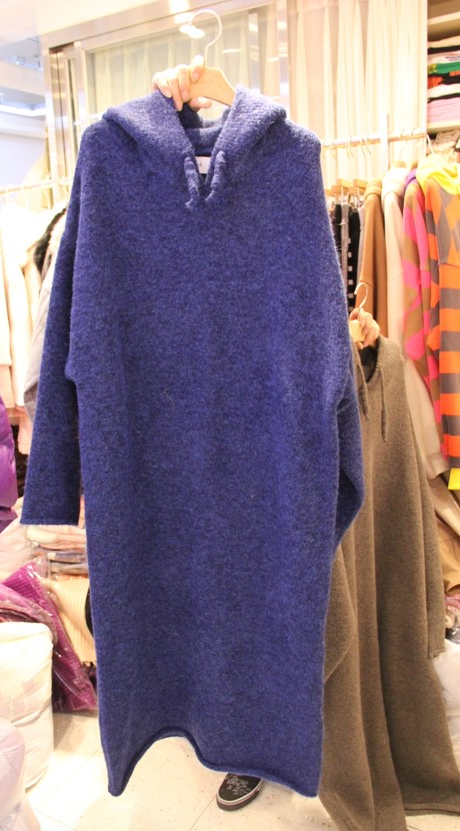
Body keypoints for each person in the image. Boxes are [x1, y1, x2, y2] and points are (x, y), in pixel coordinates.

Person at [151, 56, 380, 812]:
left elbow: (318, 326)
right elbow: (73, 341)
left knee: (288, 602)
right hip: (183, 450)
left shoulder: (290, 162)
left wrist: (331, 452)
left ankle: (273, 738)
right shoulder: (121, 170)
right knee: (214, 598)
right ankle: (237, 735)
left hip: (281, 447)